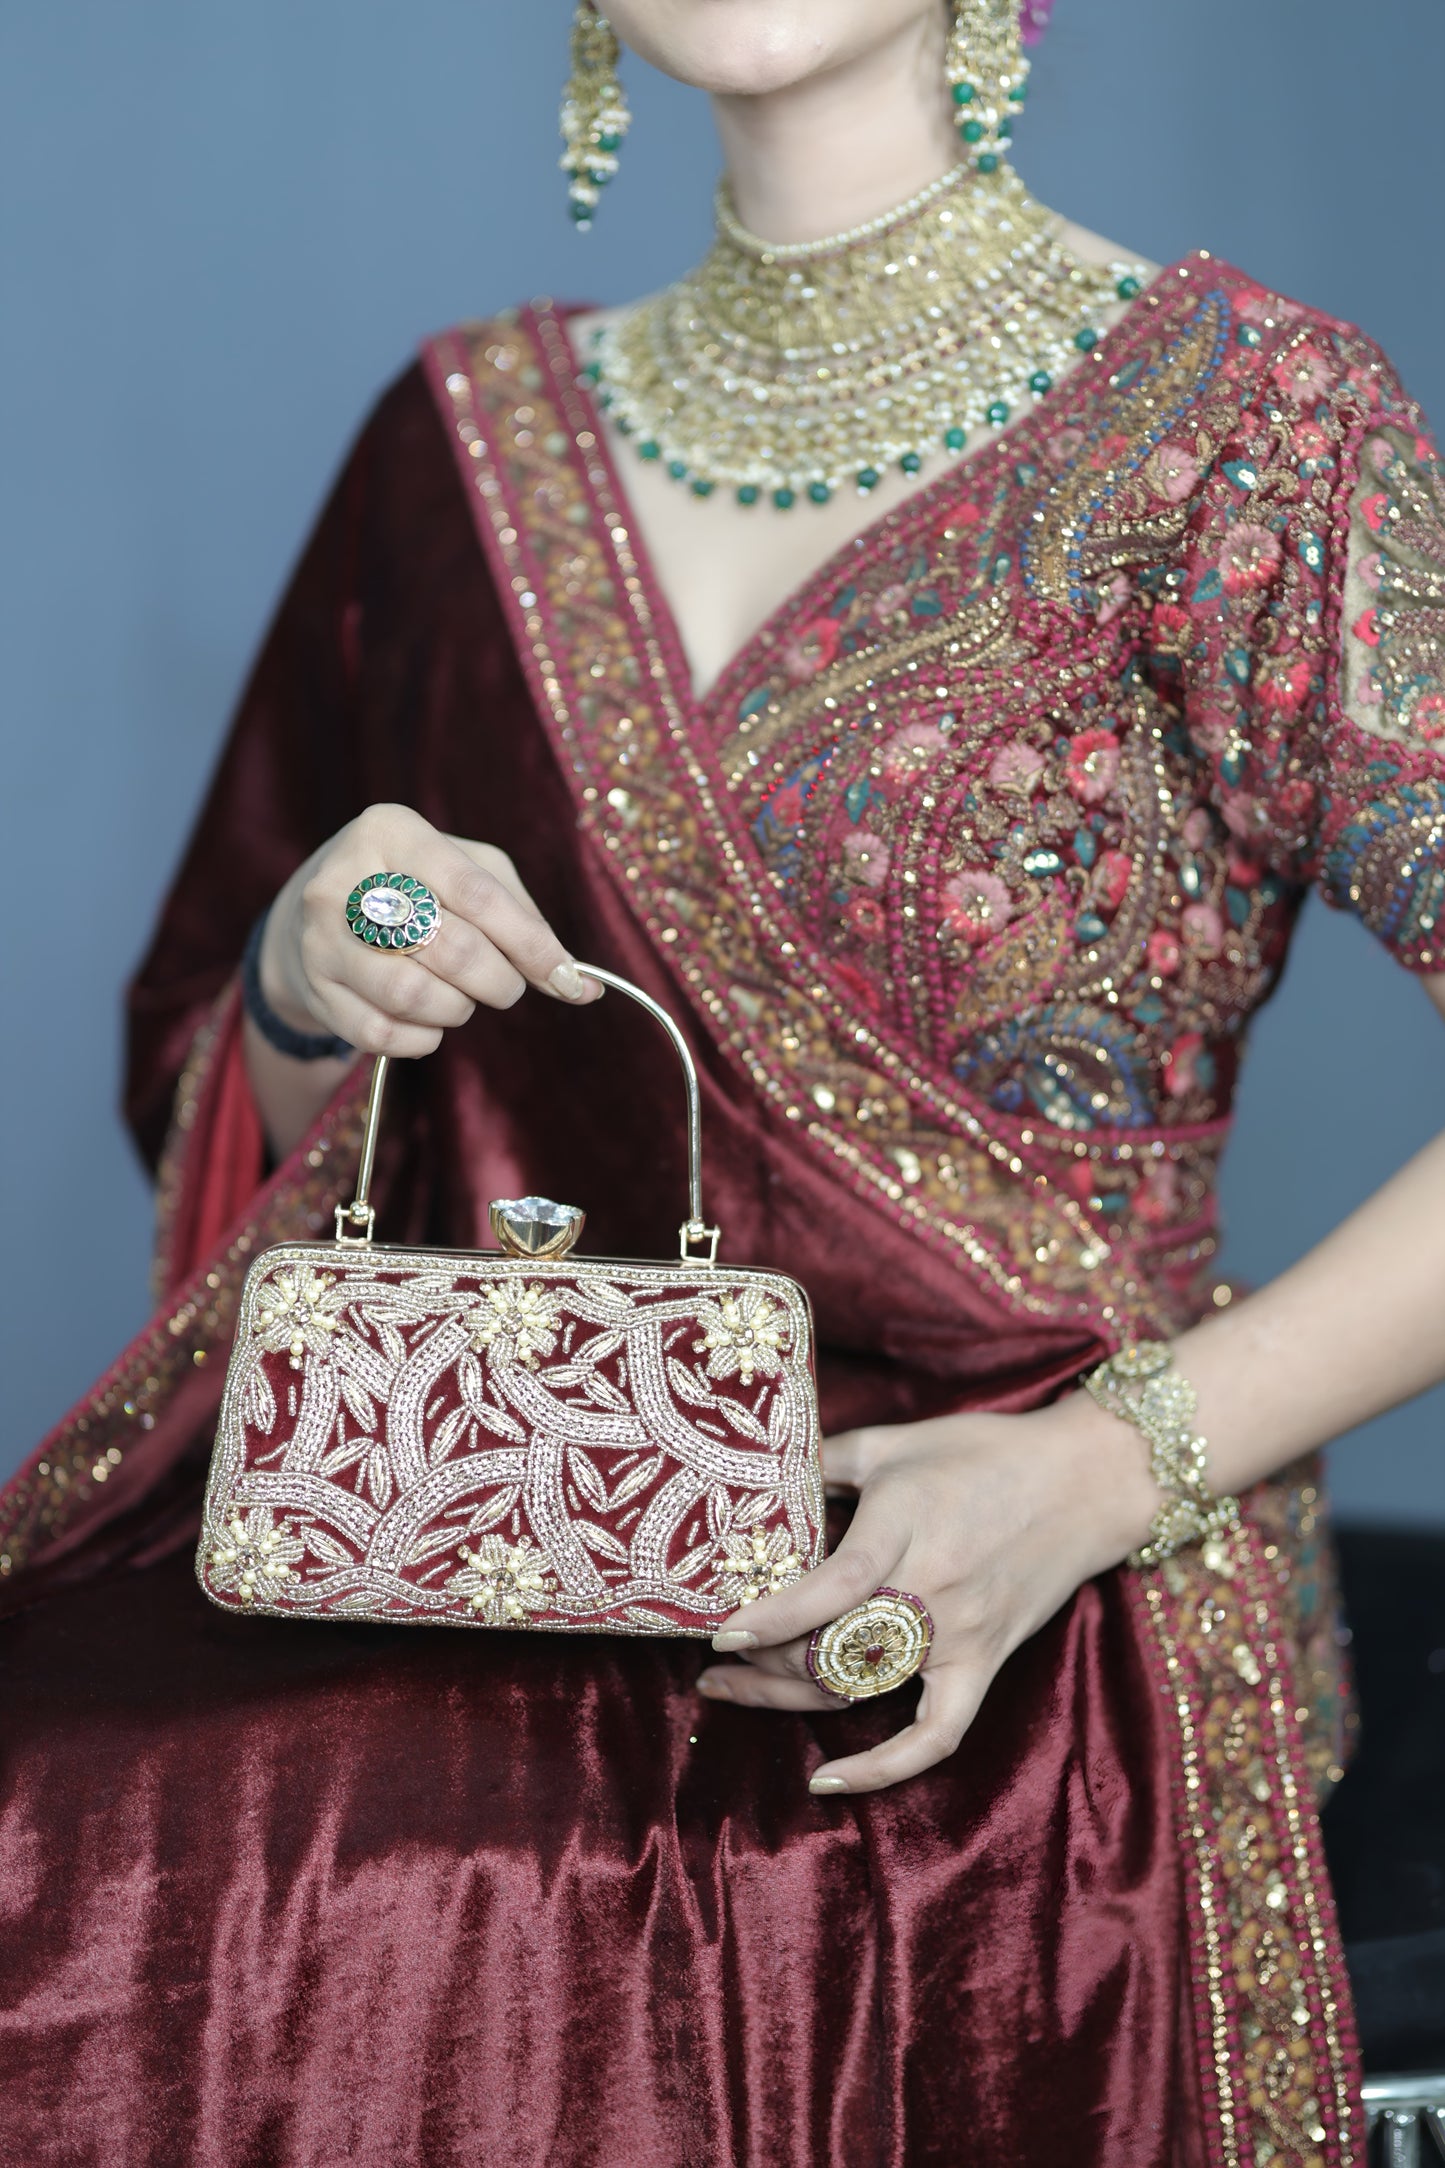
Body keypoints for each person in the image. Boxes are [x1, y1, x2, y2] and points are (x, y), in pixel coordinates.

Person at [2, 1, 1443, 2159]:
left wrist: (1094, 1476)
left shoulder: (1247, 426)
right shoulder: (462, 441)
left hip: (1007, 1567)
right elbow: (216, 1093)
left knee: (350, 1869)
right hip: (499, 1510)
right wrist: (317, 979)